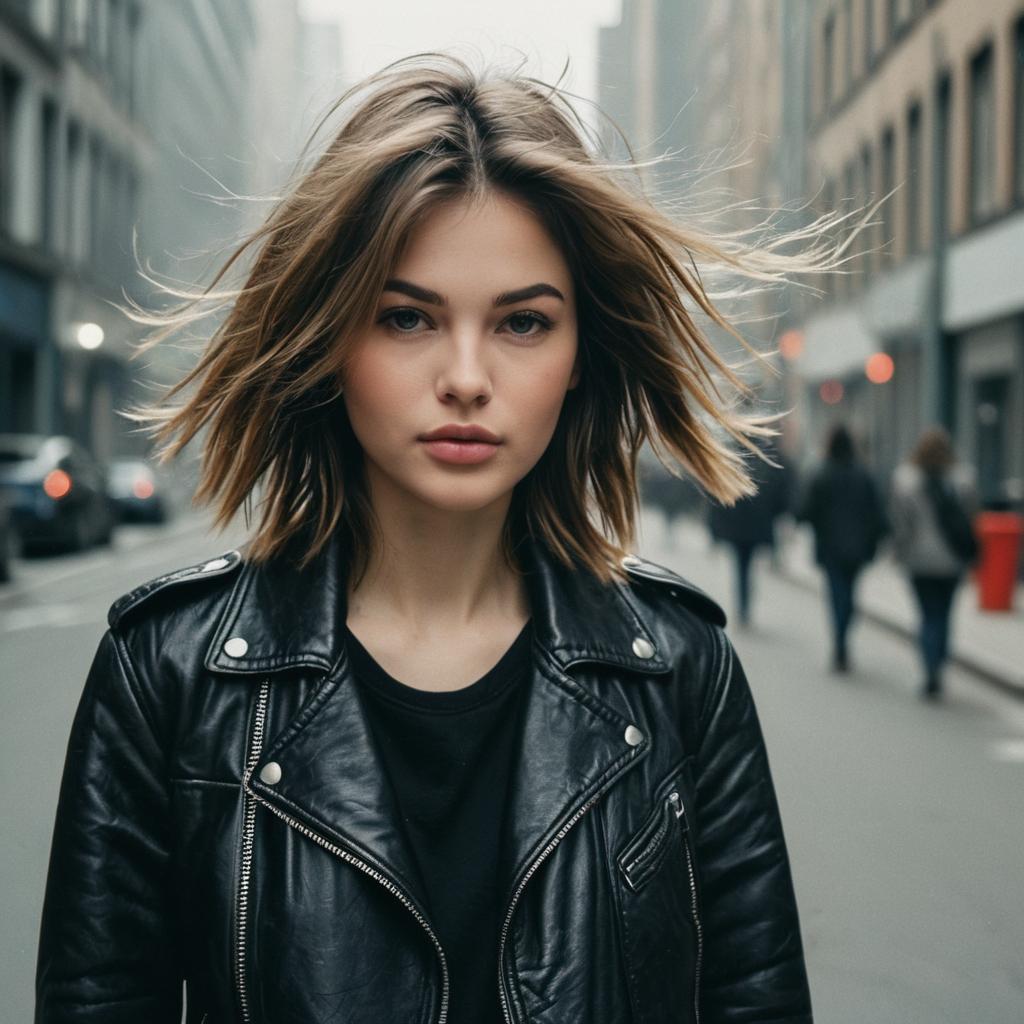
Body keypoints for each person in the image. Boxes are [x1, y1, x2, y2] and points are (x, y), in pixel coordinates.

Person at [34, 52, 847, 1023]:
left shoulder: (680, 672)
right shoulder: (165, 674)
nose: (466, 376)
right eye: (408, 316)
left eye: (522, 323)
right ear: (332, 338)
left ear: (580, 354)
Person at [889, 426, 979, 700]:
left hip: (918, 560)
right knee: (944, 615)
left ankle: (930, 670)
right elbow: (972, 516)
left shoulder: (905, 479)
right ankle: (938, 665)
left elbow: (901, 523)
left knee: (927, 615)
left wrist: (899, 551)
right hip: (951, 560)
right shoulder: (963, 479)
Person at [796, 424, 888, 674]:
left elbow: (806, 510)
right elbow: (877, 511)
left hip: (830, 548)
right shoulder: (863, 474)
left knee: (837, 595)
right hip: (858, 548)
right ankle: (843, 636)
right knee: (849, 595)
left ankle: (839, 641)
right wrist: (877, 537)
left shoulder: (821, 473)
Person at [706, 434, 794, 627]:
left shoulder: (733, 455)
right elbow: (781, 489)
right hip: (757, 524)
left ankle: (743, 603)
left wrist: (715, 527)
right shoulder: (767, 458)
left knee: (741, 565)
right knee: (747, 564)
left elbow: (717, 494)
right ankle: (746, 602)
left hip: (737, 525)